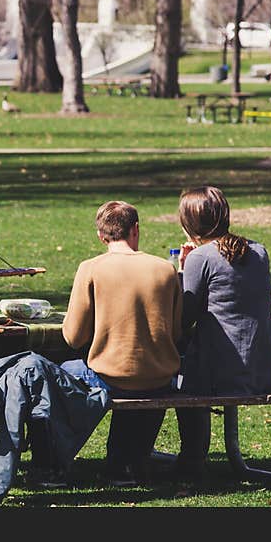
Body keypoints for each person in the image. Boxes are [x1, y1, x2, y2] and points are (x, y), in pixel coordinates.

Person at [60, 200, 182, 485]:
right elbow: (175, 333)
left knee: (59, 372)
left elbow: (72, 337)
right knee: (138, 374)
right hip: (159, 376)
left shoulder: (90, 269)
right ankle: (127, 461)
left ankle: (48, 462)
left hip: (109, 376)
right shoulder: (166, 269)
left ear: (101, 236)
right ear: (135, 229)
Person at [174, 186, 271, 477]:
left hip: (221, 374)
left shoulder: (201, 258)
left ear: (189, 224)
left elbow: (185, 318)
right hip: (263, 371)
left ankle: (191, 457)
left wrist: (184, 270)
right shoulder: (259, 251)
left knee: (170, 374)